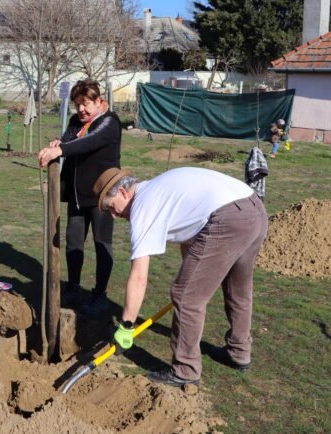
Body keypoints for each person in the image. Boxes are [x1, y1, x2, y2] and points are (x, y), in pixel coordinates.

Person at [94, 166, 268, 387]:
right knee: (238, 288)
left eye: (112, 207)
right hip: (254, 208)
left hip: (228, 218)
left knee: (186, 297)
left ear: (123, 192)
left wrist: (126, 326)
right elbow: (192, 233)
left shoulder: (143, 207)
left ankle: (185, 370)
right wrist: (195, 275)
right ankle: (239, 351)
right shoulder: (158, 190)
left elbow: (139, 278)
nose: (114, 215)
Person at [38, 79, 121, 314]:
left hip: (103, 197)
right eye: (77, 105)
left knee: (102, 244)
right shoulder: (76, 121)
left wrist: (62, 148)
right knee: (73, 243)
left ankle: (100, 294)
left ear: (99, 101)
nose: (81, 110)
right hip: (77, 196)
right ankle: (73, 287)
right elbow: (69, 138)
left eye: (86, 104)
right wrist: (60, 142)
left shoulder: (110, 122)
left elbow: (88, 142)